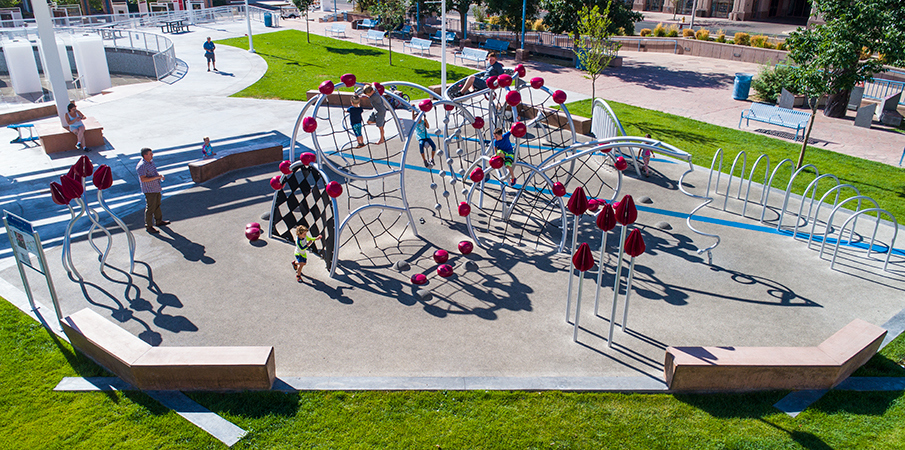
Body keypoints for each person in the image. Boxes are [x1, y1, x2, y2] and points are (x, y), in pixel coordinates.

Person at [136, 148, 170, 234]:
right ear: (145, 155)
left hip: (156, 188)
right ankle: (149, 226)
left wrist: (159, 176)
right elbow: (143, 179)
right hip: (149, 190)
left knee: (157, 205)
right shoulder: (142, 166)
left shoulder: (151, 162)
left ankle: (159, 221)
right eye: (150, 154)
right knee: (150, 207)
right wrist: (156, 177)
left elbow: (154, 172)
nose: (152, 155)